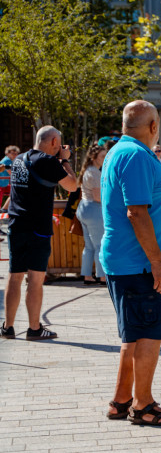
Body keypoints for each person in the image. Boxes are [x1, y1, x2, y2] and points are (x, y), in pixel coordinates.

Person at [100, 100, 161, 426]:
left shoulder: (120, 151)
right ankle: (143, 405)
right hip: (138, 264)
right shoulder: (134, 155)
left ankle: (121, 401)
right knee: (148, 333)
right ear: (152, 127)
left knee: (133, 335)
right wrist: (158, 264)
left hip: (128, 261)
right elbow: (137, 212)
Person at [2, 126, 78, 340]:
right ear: (54, 142)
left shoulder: (19, 159)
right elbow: (72, 186)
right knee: (35, 279)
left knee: (14, 276)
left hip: (16, 224)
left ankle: (7, 327)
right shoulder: (47, 161)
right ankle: (34, 328)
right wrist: (64, 160)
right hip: (38, 227)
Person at [76, 144, 108, 285]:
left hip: (84, 208)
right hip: (94, 209)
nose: (104, 158)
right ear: (94, 157)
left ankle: (87, 275)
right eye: (102, 156)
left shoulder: (88, 170)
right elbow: (97, 196)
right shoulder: (94, 172)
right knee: (100, 245)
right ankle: (102, 277)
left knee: (89, 246)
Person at [0, 144, 17, 212]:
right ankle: (4, 209)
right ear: (7, 153)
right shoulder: (6, 161)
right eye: (12, 153)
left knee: (13, 192)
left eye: (16, 153)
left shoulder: (10, 161)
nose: (14, 155)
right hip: (1, 183)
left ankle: (4, 209)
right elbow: (11, 173)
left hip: (4, 183)